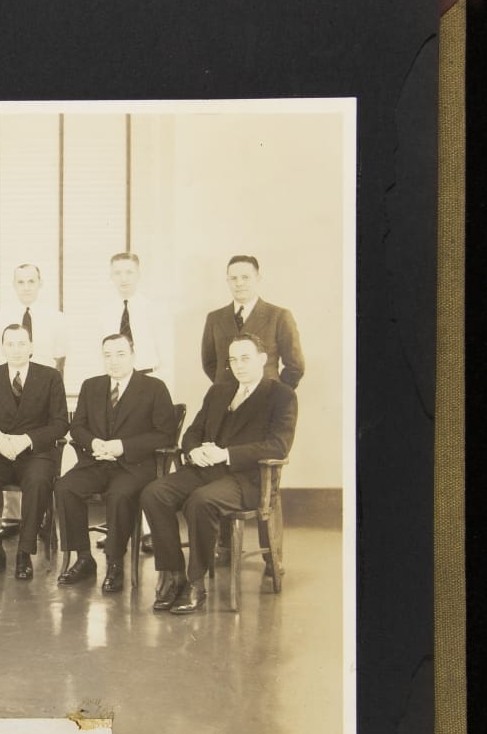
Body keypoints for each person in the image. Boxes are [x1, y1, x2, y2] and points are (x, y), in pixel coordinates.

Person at [140, 332, 298, 615]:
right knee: (154, 493)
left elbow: (278, 445)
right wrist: (193, 451)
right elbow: (193, 432)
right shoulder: (218, 391)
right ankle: (173, 575)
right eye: (233, 360)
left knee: (200, 501)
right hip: (205, 469)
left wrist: (225, 454)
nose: (239, 365)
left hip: (247, 480)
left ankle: (195, 583)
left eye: (245, 358)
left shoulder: (281, 395)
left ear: (262, 359)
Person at [54, 334, 175, 593]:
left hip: (134, 466)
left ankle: (115, 562)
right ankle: (84, 557)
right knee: (65, 487)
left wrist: (123, 446)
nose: (114, 361)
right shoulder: (91, 386)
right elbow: (77, 427)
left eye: (120, 354)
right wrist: (94, 443)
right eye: (107, 355)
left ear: (133, 355)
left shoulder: (154, 388)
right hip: (96, 462)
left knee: (119, 494)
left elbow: (165, 434)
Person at [0, 323, 69, 581]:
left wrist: (28, 440)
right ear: (2, 348)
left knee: (38, 480)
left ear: (31, 346)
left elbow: (60, 423)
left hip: (35, 454)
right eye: (10, 344)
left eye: (22, 343)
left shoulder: (50, 377)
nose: (16, 349)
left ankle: (25, 552)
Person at [201, 254, 304, 390]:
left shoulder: (279, 316)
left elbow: (295, 367)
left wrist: (277, 394)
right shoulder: (214, 318)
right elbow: (209, 363)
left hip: (266, 397)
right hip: (224, 398)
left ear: (257, 279)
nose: (239, 283)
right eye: (233, 278)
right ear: (228, 281)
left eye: (245, 277)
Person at [94, 252, 168, 385]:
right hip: (114, 382)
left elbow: (166, 354)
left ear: (138, 274)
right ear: (111, 276)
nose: (123, 279)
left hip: (147, 379)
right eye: (117, 273)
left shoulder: (153, 309)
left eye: (129, 272)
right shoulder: (103, 311)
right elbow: (98, 355)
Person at [0, 263, 67, 374]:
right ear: (14, 284)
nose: (26, 288)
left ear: (40, 283)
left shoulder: (57, 318)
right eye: (21, 282)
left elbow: (60, 360)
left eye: (31, 282)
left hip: (44, 381)